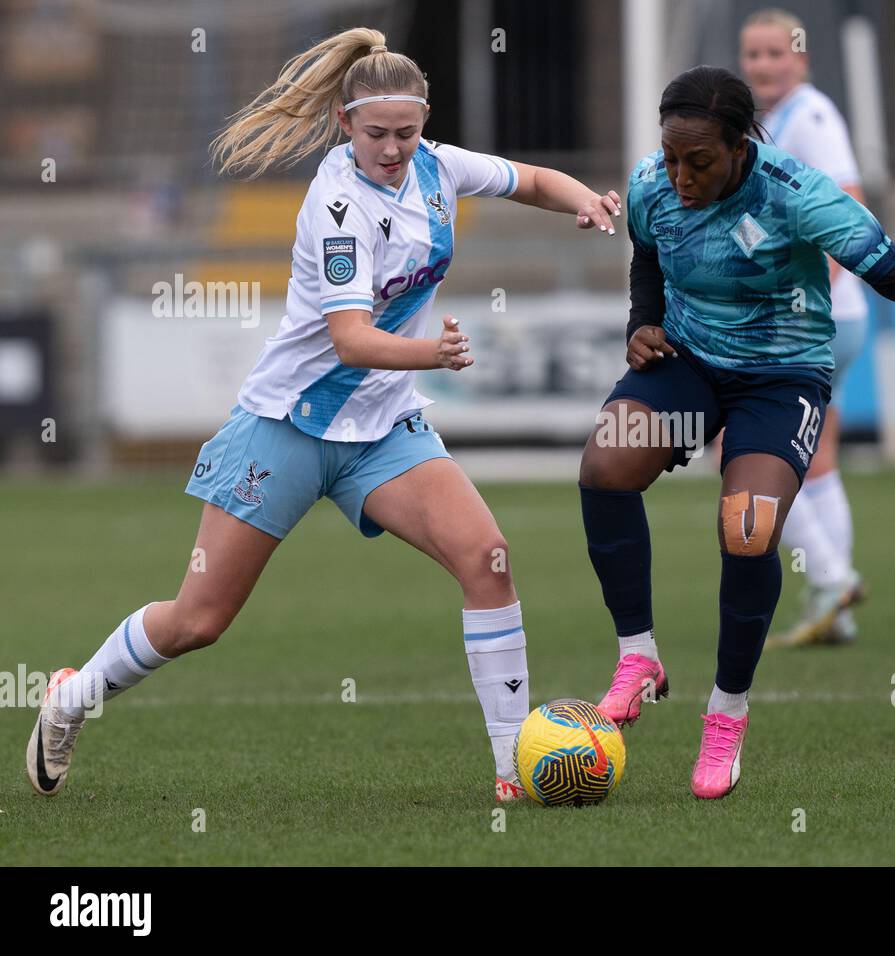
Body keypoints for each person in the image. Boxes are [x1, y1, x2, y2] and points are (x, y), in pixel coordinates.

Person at [26, 27, 622, 803]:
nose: (393, 149)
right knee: (200, 619)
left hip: (382, 431)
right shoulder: (336, 205)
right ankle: (71, 697)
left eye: (407, 132)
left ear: (425, 121)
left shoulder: (439, 169)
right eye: (376, 134)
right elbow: (350, 338)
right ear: (345, 125)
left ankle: (514, 768)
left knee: (489, 560)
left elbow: (532, 179)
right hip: (289, 427)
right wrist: (433, 357)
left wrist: (585, 200)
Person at [579, 65, 895, 798]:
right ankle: (638, 658)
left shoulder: (798, 195)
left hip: (781, 376)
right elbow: (648, 258)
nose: (679, 176)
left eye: (698, 162)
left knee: (748, 526)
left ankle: (727, 713)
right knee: (605, 466)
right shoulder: (650, 183)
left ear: (741, 147)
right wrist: (642, 323)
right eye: (670, 158)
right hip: (691, 363)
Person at [737, 8, 871, 645]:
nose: (764, 65)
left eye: (775, 54)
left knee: (741, 451)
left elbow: (848, 207)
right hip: (830, 320)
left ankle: (831, 574)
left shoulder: (811, 116)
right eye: (754, 55)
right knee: (816, 457)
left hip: (813, 320)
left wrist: (805, 304)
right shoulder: (777, 121)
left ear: (802, 59)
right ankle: (835, 609)